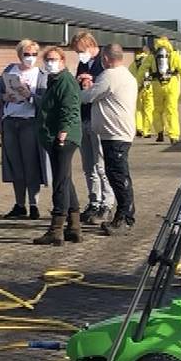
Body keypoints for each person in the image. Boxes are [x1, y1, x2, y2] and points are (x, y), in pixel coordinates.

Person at [78, 43, 139, 236]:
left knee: (117, 175)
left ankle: (125, 217)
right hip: (116, 132)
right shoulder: (125, 74)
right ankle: (125, 214)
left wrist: (85, 86)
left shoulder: (110, 76)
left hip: (115, 134)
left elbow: (88, 96)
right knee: (118, 174)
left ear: (105, 59)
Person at [32, 46, 82, 247]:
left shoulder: (65, 81)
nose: (50, 62)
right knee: (66, 180)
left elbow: (69, 108)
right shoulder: (54, 81)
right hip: (53, 137)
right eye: (47, 59)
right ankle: (74, 227)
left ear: (62, 61)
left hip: (63, 138)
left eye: (54, 59)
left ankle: (56, 229)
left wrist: (64, 131)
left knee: (60, 182)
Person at [0, 39, 48, 219]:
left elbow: (45, 100)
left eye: (34, 55)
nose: (30, 58)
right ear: (20, 54)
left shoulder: (42, 74)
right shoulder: (10, 70)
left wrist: (30, 96)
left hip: (29, 122)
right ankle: (20, 204)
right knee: (15, 165)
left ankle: (34, 204)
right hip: (11, 121)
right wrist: (4, 96)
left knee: (30, 164)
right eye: (27, 54)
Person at [70, 32, 116, 224]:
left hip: (98, 118)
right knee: (88, 165)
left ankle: (108, 203)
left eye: (81, 51)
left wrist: (92, 80)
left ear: (90, 45)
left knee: (101, 165)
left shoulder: (103, 62)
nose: (79, 55)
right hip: (84, 116)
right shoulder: (83, 63)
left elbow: (105, 86)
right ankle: (94, 201)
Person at [143, 36, 181, 143]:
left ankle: (160, 132)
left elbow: (142, 70)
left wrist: (138, 84)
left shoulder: (152, 56)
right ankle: (173, 135)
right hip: (172, 85)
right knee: (171, 110)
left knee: (157, 110)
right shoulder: (174, 55)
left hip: (157, 85)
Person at [131, 43, 155, 138]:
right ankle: (147, 131)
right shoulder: (149, 60)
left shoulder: (134, 63)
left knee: (138, 109)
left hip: (137, 89)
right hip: (149, 88)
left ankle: (139, 128)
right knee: (148, 110)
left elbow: (131, 75)